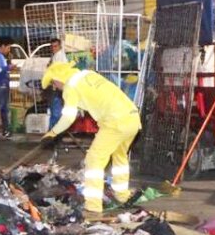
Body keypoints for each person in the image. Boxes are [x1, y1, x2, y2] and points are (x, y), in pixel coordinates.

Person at [40, 61, 141, 216]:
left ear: (59, 78)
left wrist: (52, 133)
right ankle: (122, 196)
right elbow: (94, 97)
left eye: (53, 83)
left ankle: (93, 206)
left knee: (93, 161)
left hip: (115, 122)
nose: (55, 87)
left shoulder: (70, 87)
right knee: (119, 157)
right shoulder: (87, 74)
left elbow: (68, 117)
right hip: (132, 117)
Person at [47, 38, 67, 129]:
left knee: (56, 114)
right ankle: (53, 136)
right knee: (56, 113)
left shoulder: (60, 56)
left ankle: (52, 136)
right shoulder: (55, 56)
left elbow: (58, 72)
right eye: (52, 46)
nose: (54, 48)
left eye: (56, 46)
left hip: (57, 87)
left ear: (60, 46)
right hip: (57, 87)